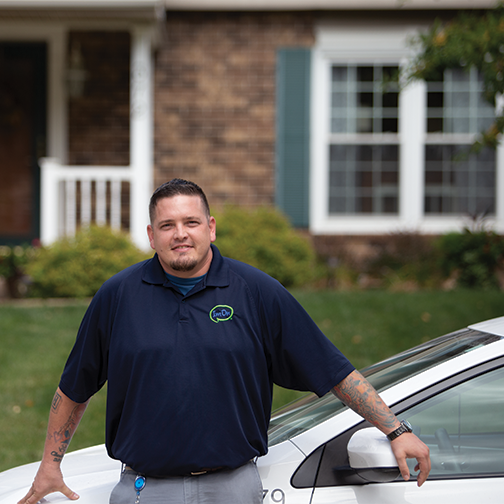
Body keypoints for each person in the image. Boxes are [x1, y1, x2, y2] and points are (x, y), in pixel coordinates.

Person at [19, 178, 430, 504]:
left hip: (232, 489)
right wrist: (49, 466)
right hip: (145, 490)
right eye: (167, 225)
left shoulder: (257, 292)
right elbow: (74, 387)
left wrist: (394, 430)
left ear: (210, 228)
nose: (180, 234)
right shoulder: (118, 297)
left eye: (191, 222)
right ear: (151, 235)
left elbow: (331, 368)